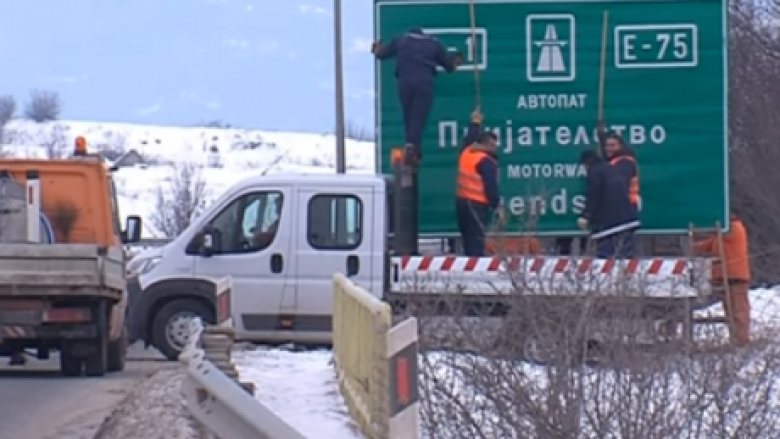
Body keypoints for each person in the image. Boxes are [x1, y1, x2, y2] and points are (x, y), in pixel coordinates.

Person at [372, 28, 463, 164]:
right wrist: (456, 60)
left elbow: (381, 54)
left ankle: (411, 146)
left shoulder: (401, 40)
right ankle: (413, 147)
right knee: (419, 115)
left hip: (404, 81)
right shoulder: (433, 44)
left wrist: (376, 49)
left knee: (408, 114)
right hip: (424, 81)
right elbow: (449, 66)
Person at [693, 212, 751, 346]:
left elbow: (717, 235)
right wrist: (693, 246)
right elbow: (708, 244)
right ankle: (735, 339)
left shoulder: (734, 228)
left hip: (736, 277)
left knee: (738, 311)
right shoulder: (720, 235)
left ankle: (741, 341)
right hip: (724, 277)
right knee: (730, 311)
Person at [455, 109, 502, 256]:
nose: (495, 147)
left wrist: (474, 123)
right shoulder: (486, 161)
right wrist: (497, 206)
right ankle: (475, 277)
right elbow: (491, 187)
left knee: (468, 242)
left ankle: (467, 272)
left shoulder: (467, 152)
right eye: (493, 144)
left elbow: (469, 138)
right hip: (476, 206)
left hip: (461, 203)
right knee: (476, 245)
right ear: (487, 144)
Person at [577, 150, 640, 258]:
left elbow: (593, 195)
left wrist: (586, 216)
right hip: (628, 220)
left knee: (606, 261)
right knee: (628, 259)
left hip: (609, 226)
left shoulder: (595, 172)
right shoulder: (611, 168)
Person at [599, 122, 641, 214]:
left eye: (612, 145)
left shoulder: (625, 162)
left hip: (627, 206)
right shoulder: (613, 160)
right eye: (607, 146)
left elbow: (617, 182)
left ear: (620, 146)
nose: (608, 148)